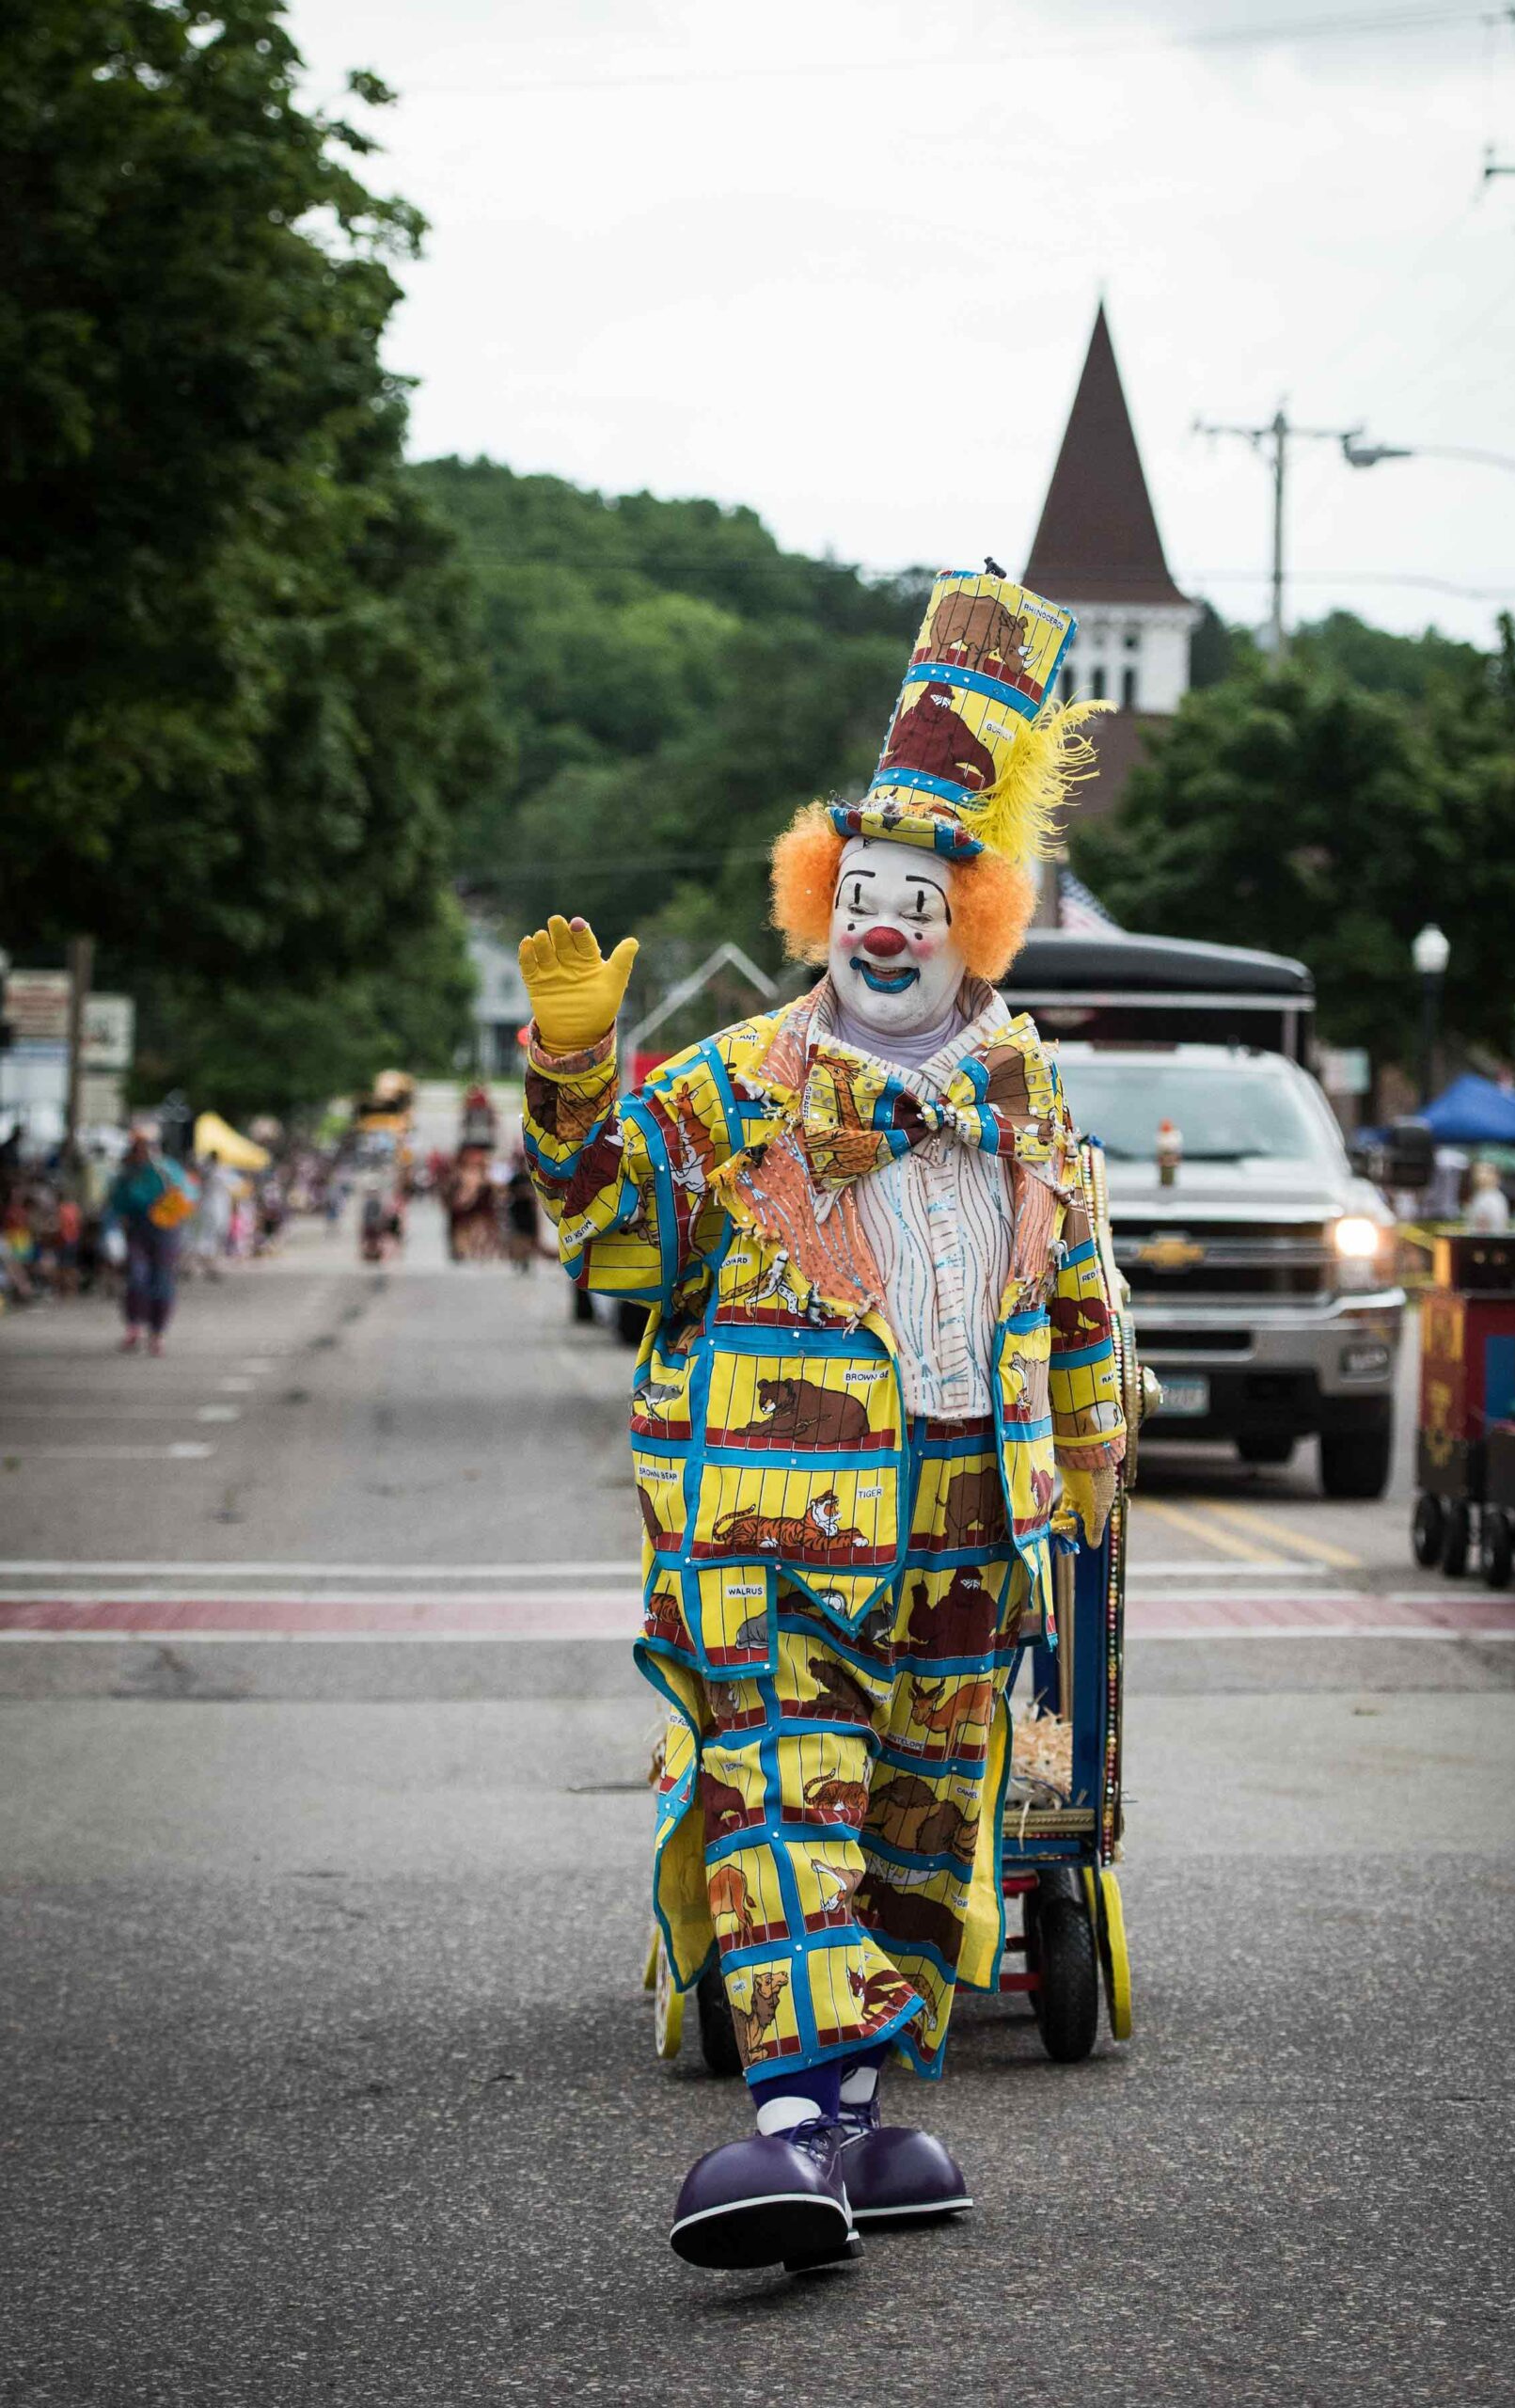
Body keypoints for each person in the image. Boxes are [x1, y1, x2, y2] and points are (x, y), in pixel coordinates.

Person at [519, 568, 1125, 2275]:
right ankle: (792, 2121)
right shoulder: (730, 1083)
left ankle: (861, 2118)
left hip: (966, 1522)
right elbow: (604, 1231)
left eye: (912, 896)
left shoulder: (1022, 1092)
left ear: (971, 918)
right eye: (854, 892)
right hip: (768, 1526)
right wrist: (576, 1077)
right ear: (816, 902)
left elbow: (1069, 1282)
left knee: (929, 1816)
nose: (879, 922)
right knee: (785, 1793)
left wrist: (1079, 1448)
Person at [104, 1128, 194, 1354]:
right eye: (136, 1147)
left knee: (162, 1280)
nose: (140, 1152)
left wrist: (169, 1211)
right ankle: (134, 1327)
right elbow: (115, 1203)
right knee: (137, 1276)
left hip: (165, 1230)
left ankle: (157, 1334)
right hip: (137, 1229)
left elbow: (188, 1195)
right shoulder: (127, 1173)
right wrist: (112, 1230)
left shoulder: (167, 1169)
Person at [191, 1154, 234, 1281]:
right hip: (212, 1208)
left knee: (209, 1237)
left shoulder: (209, 1171)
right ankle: (207, 1265)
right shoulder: (216, 1171)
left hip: (211, 1207)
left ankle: (207, 1265)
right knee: (208, 1237)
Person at [1466, 1159, 1511, 1235]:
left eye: (1485, 1171)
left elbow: (1488, 1228)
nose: (1480, 1175)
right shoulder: (1480, 1195)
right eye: (1478, 1171)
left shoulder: (1494, 1198)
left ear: (1495, 1176)